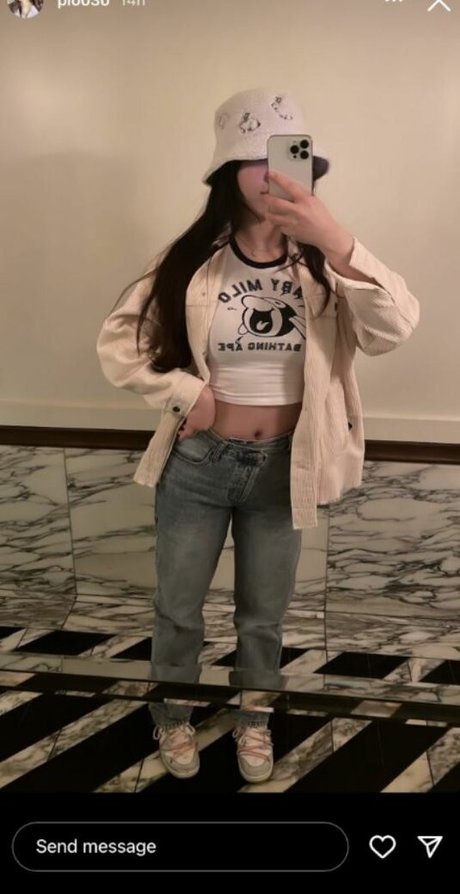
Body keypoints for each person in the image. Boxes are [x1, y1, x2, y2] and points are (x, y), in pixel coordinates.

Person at [97, 88, 419, 783]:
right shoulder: (192, 258)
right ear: (227, 172)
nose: (274, 172)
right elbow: (118, 343)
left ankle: (253, 719)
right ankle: (173, 715)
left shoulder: (325, 264)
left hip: (285, 466)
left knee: (263, 617)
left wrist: (336, 239)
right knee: (178, 609)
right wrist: (184, 392)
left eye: (288, 158)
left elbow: (395, 327)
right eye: (256, 158)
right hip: (199, 463)